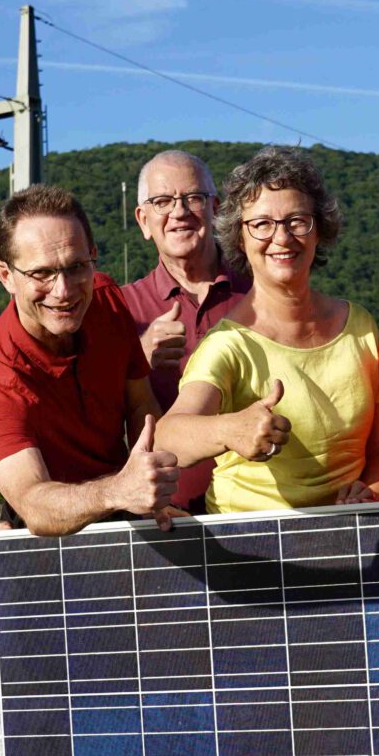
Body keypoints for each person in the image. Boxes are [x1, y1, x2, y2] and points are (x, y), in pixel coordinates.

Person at [158, 146, 379, 512]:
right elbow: (167, 436)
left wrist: (371, 497)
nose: (282, 238)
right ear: (240, 237)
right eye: (262, 225)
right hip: (252, 549)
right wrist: (229, 430)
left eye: (296, 221)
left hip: (353, 536)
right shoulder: (228, 344)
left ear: (319, 230)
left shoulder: (360, 326)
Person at [0, 184, 180, 536]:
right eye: (42, 273)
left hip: (126, 511)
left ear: (93, 255)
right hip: (50, 532)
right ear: (6, 276)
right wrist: (120, 490)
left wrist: (154, 485)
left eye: (77, 267)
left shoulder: (106, 300)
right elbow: (34, 504)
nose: (63, 291)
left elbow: (141, 404)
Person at [121, 149, 250, 510]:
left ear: (216, 208)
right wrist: (139, 358)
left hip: (259, 510)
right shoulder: (119, 309)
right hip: (165, 517)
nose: (179, 212)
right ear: (143, 220)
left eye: (193, 198)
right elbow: (96, 414)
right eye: (162, 201)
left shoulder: (263, 292)